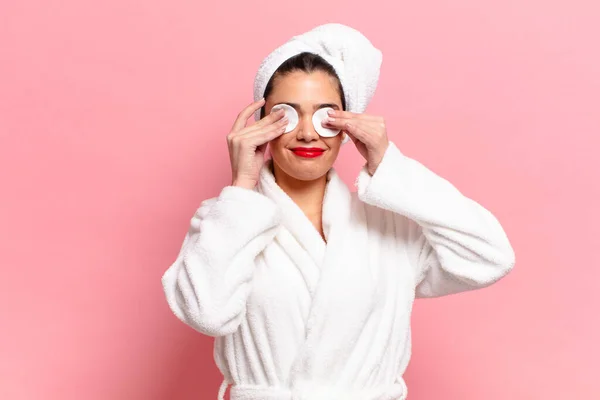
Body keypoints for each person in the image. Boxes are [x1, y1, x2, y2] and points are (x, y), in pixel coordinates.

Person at [161, 23, 515, 400]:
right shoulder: (224, 220)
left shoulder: (392, 228)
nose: (308, 134)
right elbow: (207, 313)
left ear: (348, 127)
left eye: (325, 116)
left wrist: (389, 165)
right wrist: (241, 187)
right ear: (262, 124)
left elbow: (491, 257)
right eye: (287, 115)